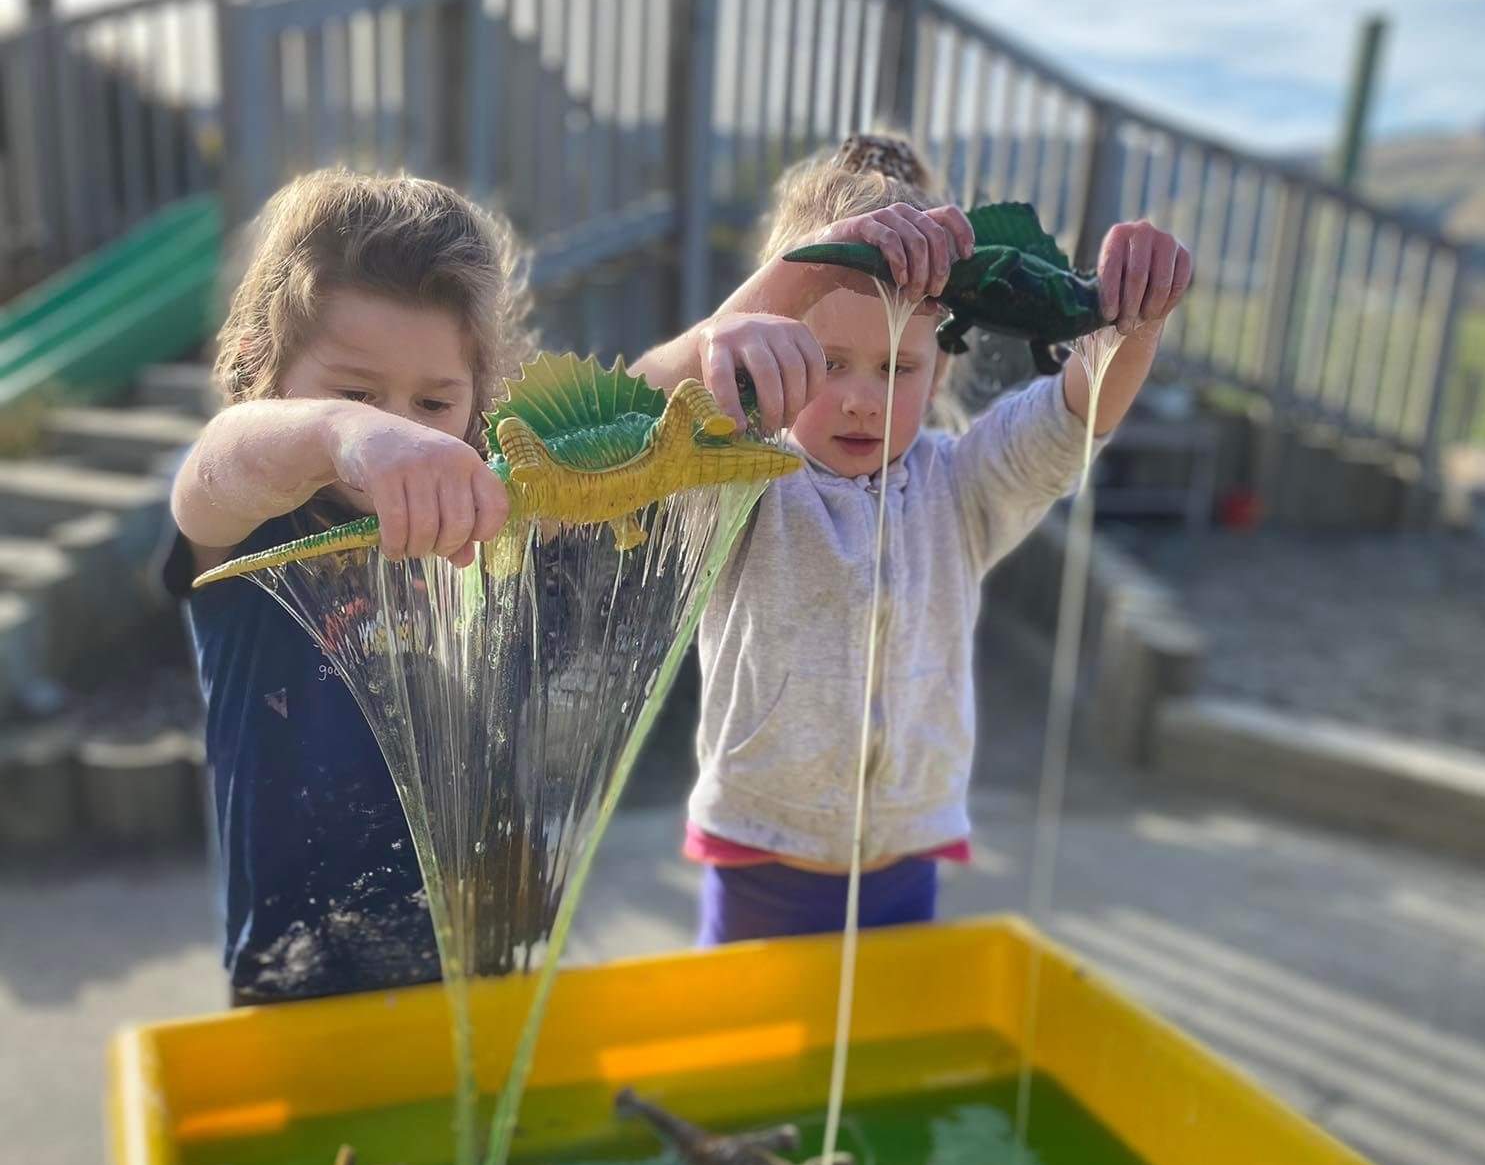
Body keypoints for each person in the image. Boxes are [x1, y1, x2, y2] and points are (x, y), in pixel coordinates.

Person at [631, 132, 1193, 945]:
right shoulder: (737, 477)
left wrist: (1135, 323)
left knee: (882, 1058)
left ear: (940, 369)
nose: (862, 399)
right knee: (751, 1063)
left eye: (897, 369)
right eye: (829, 363)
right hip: (760, 854)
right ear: (771, 344)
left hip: (907, 854)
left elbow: (1077, 411)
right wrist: (775, 293)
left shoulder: (963, 487)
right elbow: (639, 414)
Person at [165, 168, 534, 1001]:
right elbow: (211, 472)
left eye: (434, 402)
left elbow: (650, 405)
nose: (401, 428)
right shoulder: (257, 524)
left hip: (485, 954)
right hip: (301, 977)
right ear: (266, 364)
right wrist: (342, 435)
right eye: (357, 390)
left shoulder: (494, 512)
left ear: (478, 395)